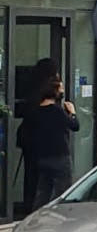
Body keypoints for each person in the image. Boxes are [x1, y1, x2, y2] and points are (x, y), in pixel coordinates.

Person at [23, 75, 79, 210]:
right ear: (54, 91)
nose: (63, 91)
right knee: (63, 191)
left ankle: (37, 216)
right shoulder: (57, 111)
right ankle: (58, 215)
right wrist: (72, 112)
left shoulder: (36, 111)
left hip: (42, 157)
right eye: (61, 88)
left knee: (43, 191)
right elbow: (74, 126)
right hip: (59, 156)